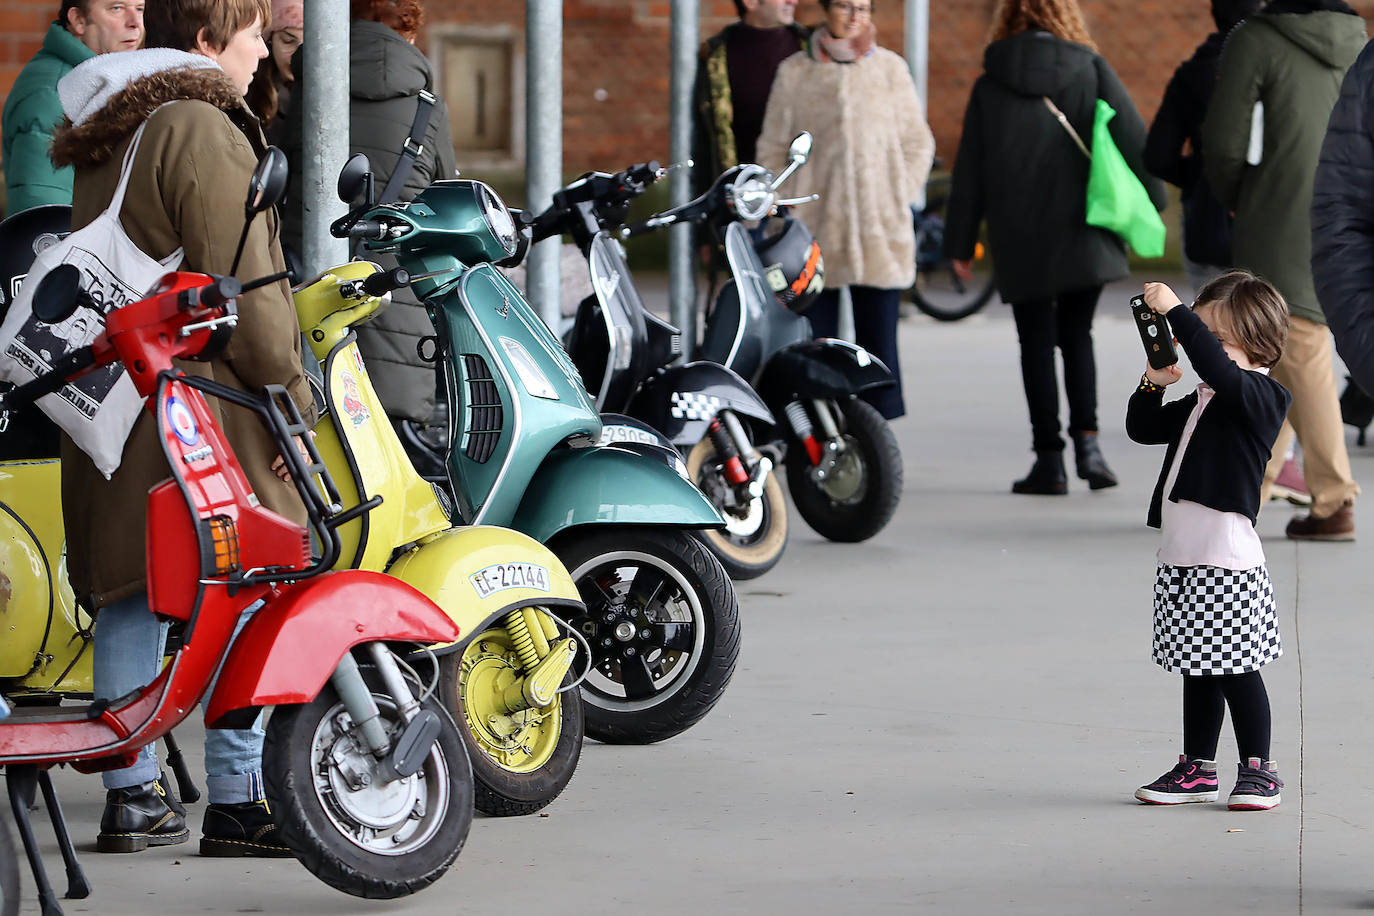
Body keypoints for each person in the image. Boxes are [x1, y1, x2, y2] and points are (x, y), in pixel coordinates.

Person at [50, 0, 314, 855]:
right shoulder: (200, 124)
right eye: (250, 41)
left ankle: (132, 792)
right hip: (198, 405)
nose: (260, 61)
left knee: (134, 589)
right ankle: (239, 797)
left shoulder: (113, 122)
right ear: (206, 42)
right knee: (244, 586)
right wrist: (294, 401)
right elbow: (252, 293)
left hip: (116, 397)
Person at [944, 0, 1165, 494]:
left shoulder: (989, 82)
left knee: (1036, 344)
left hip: (1019, 236)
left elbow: (970, 170)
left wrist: (959, 242)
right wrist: (1154, 199)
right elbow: (1134, 137)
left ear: (1007, 19)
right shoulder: (1090, 68)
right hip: (1085, 230)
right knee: (1077, 335)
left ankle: (1050, 460)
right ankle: (1089, 447)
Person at [1127, 273, 1290, 811]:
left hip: (1226, 561)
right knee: (1198, 667)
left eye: (1216, 338)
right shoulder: (1204, 397)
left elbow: (1218, 367)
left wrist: (1178, 313)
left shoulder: (1262, 397)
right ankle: (1197, 767)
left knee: (1238, 668)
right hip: (1183, 555)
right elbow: (1142, 427)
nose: (1202, 348)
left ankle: (1259, 770)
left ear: (1258, 343)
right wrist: (1155, 379)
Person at [1202, 0, 1364, 541]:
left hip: (1281, 209)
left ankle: (1334, 499)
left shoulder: (1257, 38)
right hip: (1352, 204)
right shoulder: (1359, 39)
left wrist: (1239, 199)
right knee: (1280, 344)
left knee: (1296, 339)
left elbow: (1225, 140)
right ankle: (1254, 483)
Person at [282, 0, 457, 426]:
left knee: (311, 441)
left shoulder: (300, 93)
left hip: (306, 294)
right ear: (408, 32)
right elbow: (447, 198)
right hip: (396, 296)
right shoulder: (427, 108)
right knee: (388, 449)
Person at [756, 0, 933, 420]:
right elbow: (772, 147)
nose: (856, 16)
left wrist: (899, 192)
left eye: (864, 7)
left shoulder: (890, 69)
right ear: (824, 9)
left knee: (879, 346)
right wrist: (781, 205)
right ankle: (823, 432)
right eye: (845, 6)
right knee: (817, 346)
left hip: (880, 229)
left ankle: (878, 441)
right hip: (814, 229)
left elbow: (917, 142)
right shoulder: (795, 71)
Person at [1144, 0, 1261, 294]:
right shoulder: (1279, 69)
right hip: (1271, 219)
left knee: (1213, 328)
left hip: (1207, 220)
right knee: (1273, 327)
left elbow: (1158, 156)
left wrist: (1201, 175)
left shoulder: (1192, 74)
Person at [1, 0, 144, 215]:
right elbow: (43, 222)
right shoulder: (54, 95)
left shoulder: (102, 80)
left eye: (140, 8)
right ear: (78, 20)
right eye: (117, 8)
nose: (136, 22)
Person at [692, 0, 808, 197]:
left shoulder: (811, 47)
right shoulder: (715, 58)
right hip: (743, 196)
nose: (793, 1)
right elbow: (705, 144)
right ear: (751, 2)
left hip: (807, 191)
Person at [244, 0, 299, 142]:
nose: (300, 55)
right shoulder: (246, 88)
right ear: (270, 40)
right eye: (288, 41)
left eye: (310, 43)